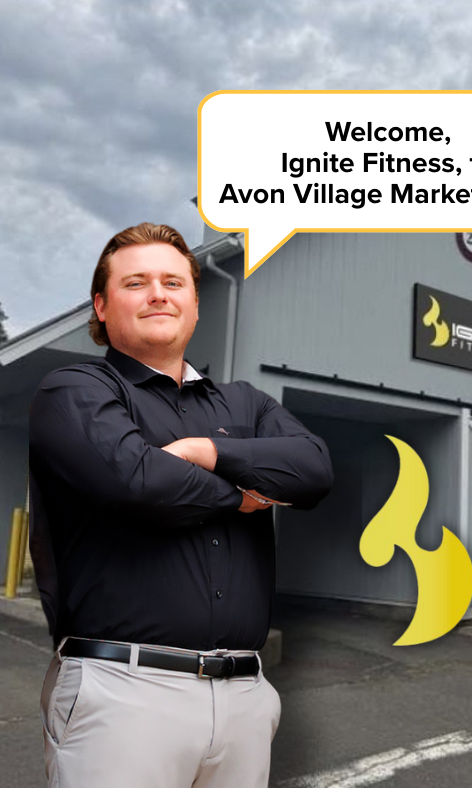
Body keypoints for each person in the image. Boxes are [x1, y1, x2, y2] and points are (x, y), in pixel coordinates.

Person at [28, 222, 333, 788]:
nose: (158, 294)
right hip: (123, 693)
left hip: (244, 698)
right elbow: (137, 481)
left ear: (194, 304)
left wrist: (206, 452)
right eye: (135, 283)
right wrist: (241, 493)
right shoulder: (74, 390)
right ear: (101, 306)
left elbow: (313, 470)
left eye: (173, 283)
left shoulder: (246, 403)